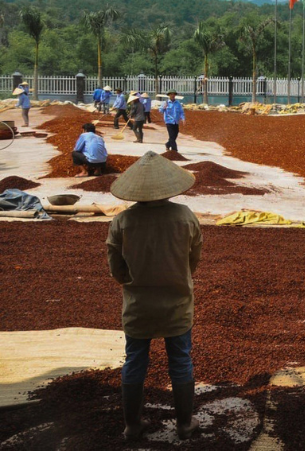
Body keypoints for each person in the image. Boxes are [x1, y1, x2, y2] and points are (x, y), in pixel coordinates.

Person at [106, 152, 202, 441]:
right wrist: (177, 278)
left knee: (135, 361)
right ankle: (185, 425)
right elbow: (193, 260)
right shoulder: (185, 217)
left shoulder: (122, 222)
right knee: (181, 361)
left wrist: (134, 283)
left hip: (138, 307)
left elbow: (116, 269)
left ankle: (132, 426)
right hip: (177, 305)